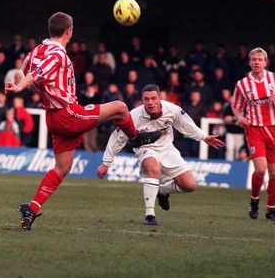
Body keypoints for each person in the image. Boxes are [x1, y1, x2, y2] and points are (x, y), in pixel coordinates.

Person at [5, 12, 164, 231]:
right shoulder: (57, 54)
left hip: (53, 116)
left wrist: (29, 84)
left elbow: (27, 70)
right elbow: (39, 72)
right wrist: (23, 86)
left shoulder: (36, 50)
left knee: (63, 167)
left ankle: (31, 209)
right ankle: (137, 139)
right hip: (68, 113)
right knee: (120, 107)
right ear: (69, 31)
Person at [96, 84, 225, 226]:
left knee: (189, 185)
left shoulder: (172, 110)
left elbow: (186, 125)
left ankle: (162, 190)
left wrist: (204, 137)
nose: (150, 102)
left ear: (160, 98)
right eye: (146, 99)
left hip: (167, 149)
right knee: (153, 168)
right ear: (142, 100)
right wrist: (106, 162)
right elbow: (118, 137)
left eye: (153, 98)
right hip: (146, 149)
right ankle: (150, 215)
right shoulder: (133, 115)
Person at [232, 47, 275, 222]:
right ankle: (254, 200)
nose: (257, 62)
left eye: (260, 59)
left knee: (274, 174)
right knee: (260, 169)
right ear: (249, 62)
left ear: (265, 62)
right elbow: (236, 105)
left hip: (274, 129)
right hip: (254, 129)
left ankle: (271, 210)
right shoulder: (242, 84)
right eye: (254, 59)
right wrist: (239, 117)